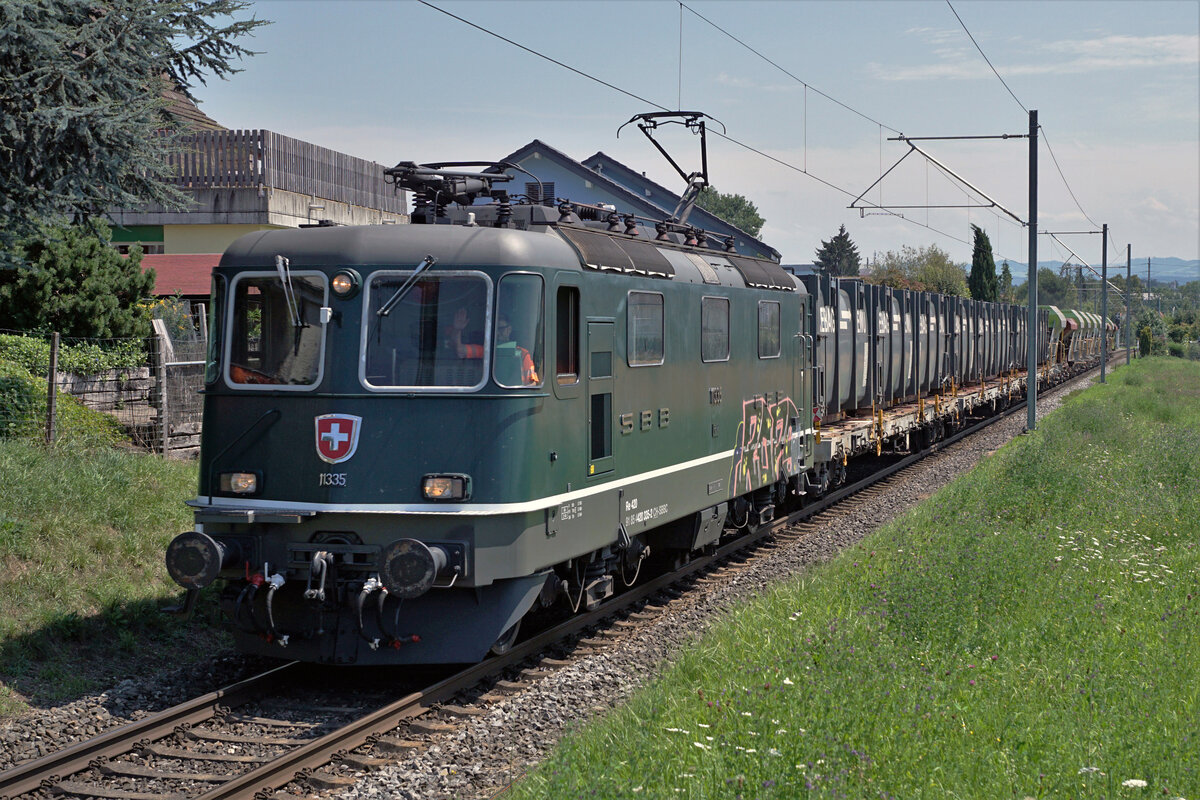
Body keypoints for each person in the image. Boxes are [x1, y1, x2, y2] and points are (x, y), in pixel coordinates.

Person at [494, 313, 539, 386]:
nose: (498, 333)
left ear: (509, 329)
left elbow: (532, 383)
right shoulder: (485, 352)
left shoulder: (523, 354)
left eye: (501, 329)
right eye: (496, 330)